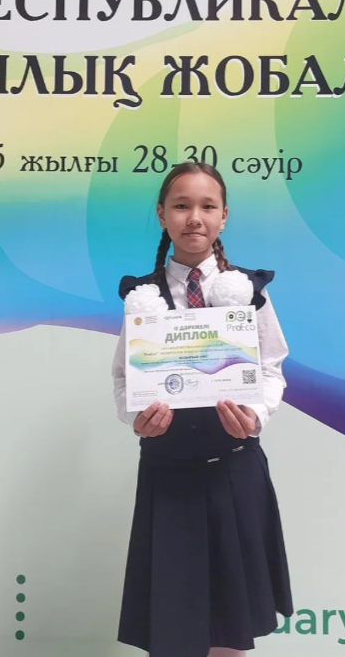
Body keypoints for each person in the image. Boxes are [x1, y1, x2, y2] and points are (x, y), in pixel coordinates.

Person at [112, 162, 293, 657]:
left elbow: (272, 367)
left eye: (207, 206)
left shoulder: (248, 291)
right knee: (173, 633)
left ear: (224, 216)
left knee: (232, 632)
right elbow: (124, 378)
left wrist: (257, 415)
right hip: (167, 474)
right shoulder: (142, 298)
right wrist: (136, 417)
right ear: (162, 215)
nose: (194, 217)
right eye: (181, 205)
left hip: (235, 470)